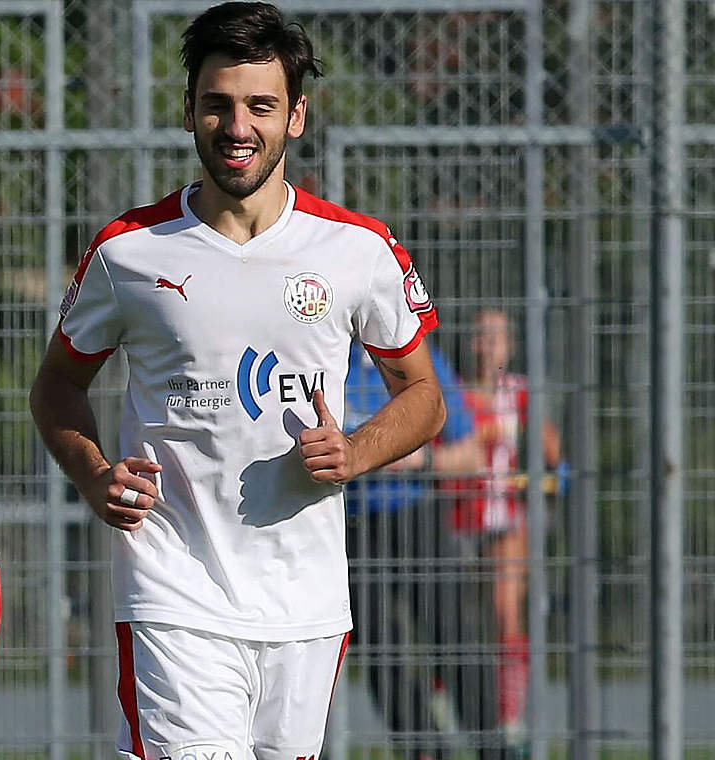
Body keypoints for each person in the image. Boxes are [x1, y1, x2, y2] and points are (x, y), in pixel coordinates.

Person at [28, 4, 447, 758]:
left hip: (305, 600)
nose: (236, 125)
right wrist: (93, 475)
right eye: (217, 104)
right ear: (188, 110)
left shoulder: (359, 249)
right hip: (172, 586)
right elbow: (57, 384)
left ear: (296, 116)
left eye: (260, 105)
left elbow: (423, 395)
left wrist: (355, 450)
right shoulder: (129, 252)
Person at [345, 341, 495, 760]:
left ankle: (492, 744)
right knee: (378, 650)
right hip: (348, 526)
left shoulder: (413, 360)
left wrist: (413, 462)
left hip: (414, 517)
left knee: (453, 638)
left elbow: (471, 456)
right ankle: (424, 751)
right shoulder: (320, 358)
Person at [452, 308, 561, 748]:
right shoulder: (452, 390)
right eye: (481, 336)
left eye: (497, 336)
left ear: (510, 344)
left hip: (503, 523)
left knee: (505, 616)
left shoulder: (517, 393)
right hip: (458, 519)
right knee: (456, 621)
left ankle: (510, 716)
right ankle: (454, 702)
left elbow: (552, 452)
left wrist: (548, 478)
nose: (488, 345)